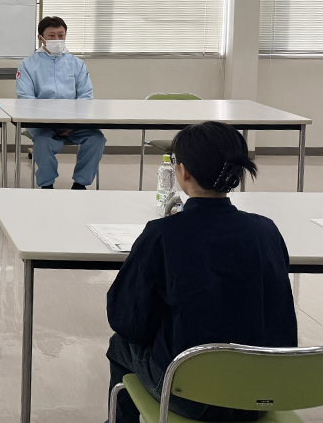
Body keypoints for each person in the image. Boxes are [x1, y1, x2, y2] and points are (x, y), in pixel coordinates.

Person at [107, 121, 298, 423]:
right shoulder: (266, 230)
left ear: (182, 172)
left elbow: (126, 320)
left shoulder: (163, 234)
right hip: (261, 394)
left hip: (193, 397)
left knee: (120, 344)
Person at [16, 16, 105, 189]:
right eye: (51, 35)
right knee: (42, 142)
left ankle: (80, 183)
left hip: (74, 123)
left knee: (96, 138)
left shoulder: (77, 64)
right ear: (41, 38)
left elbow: (86, 96)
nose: (57, 39)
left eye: (61, 35)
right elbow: (26, 99)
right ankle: (47, 185)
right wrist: (51, 122)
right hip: (42, 124)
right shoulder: (28, 65)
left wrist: (72, 122)